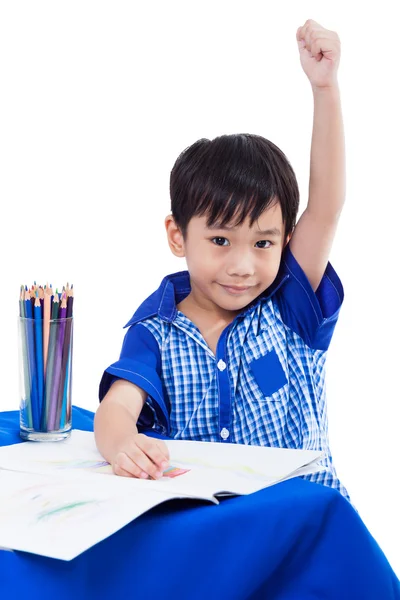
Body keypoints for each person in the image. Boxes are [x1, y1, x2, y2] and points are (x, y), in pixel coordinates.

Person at [95, 19, 349, 499]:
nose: (242, 266)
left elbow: (328, 203)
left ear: (286, 240)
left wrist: (325, 88)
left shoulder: (289, 305)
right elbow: (117, 408)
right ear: (177, 235)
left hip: (305, 527)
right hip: (213, 538)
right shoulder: (156, 333)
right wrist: (121, 443)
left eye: (262, 243)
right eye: (219, 241)